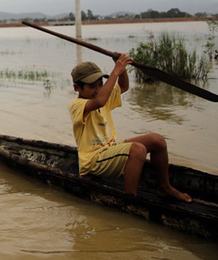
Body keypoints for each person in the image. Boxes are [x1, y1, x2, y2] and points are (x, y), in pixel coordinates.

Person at [69, 54, 191, 202]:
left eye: (100, 84)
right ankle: (129, 200)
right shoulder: (77, 105)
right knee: (137, 149)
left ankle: (164, 187)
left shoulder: (103, 97)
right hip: (93, 160)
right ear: (77, 88)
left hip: (110, 149)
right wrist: (116, 71)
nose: (97, 89)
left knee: (157, 140)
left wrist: (122, 67)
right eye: (92, 86)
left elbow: (123, 86)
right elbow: (100, 101)